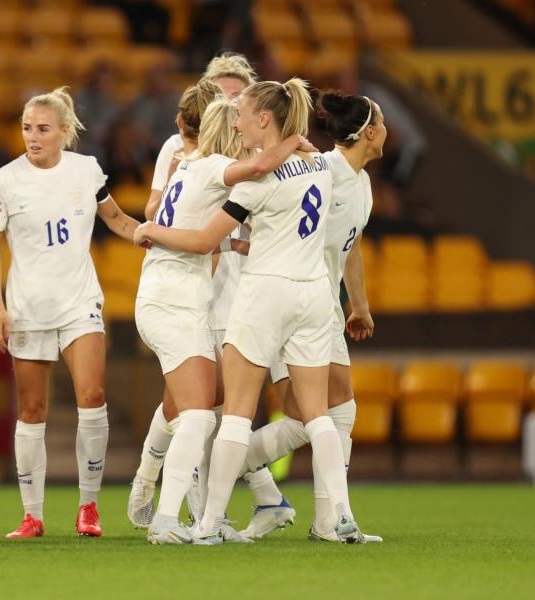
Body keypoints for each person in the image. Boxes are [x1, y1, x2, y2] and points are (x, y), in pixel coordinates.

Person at [134, 79, 371, 544]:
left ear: (265, 118)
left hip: (264, 293)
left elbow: (205, 240)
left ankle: (207, 524)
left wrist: (151, 231)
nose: (235, 121)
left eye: (242, 112)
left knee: (237, 414)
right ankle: (340, 519)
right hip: (314, 294)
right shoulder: (319, 164)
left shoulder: (258, 177)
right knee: (318, 415)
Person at [0, 87, 141, 539]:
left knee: (93, 396)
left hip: (79, 302)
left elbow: (116, 219)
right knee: (31, 409)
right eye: (27, 128)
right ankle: (32, 515)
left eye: (43, 129)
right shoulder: (5, 180)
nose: (32, 136)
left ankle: (88, 507)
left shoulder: (86, 170)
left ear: (65, 133)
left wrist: (151, 235)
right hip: (29, 307)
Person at [239, 91, 386, 543]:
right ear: (369, 133)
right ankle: (235, 458)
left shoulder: (359, 181)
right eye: (380, 121)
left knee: (340, 409)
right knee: (306, 414)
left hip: (324, 304)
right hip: (291, 301)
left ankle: (331, 520)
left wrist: (357, 304)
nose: (386, 129)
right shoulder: (319, 169)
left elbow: (351, 245)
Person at [128, 51, 258, 529]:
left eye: (237, 98)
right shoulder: (197, 159)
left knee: (204, 400)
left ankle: (176, 501)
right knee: (199, 409)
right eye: (222, 99)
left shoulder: (199, 160)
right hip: (184, 285)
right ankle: (192, 513)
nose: (229, 106)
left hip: (205, 285)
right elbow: (171, 216)